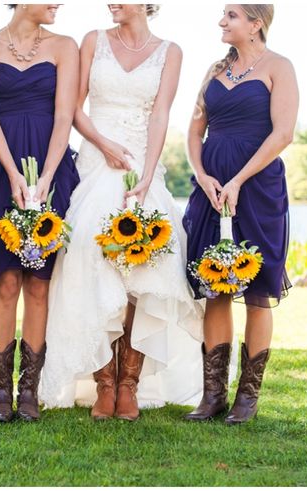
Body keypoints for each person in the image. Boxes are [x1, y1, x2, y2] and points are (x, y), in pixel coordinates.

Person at [39, 4, 203, 421]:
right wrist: (105, 144)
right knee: (89, 263)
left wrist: (147, 174)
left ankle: (129, 383)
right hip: (97, 160)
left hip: (144, 166)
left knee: (144, 268)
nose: (111, 3)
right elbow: (74, 108)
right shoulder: (92, 41)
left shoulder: (171, 51)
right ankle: (103, 383)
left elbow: (161, 114)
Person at [182, 4, 298, 424]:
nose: (221, 22)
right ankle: (212, 396)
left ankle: (246, 399)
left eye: (230, 15)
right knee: (216, 285)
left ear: (256, 23)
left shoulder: (279, 68)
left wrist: (239, 180)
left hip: (258, 187)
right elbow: (195, 131)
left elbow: (283, 133)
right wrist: (204, 175)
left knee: (256, 289)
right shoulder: (213, 71)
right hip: (212, 188)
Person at [0, 4, 79, 422]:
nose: (58, 4)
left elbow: (64, 114)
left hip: (52, 166)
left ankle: (28, 390)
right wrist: (13, 172)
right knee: (6, 282)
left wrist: (47, 176)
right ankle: (0, 391)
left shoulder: (65, 47)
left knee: (39, 283)